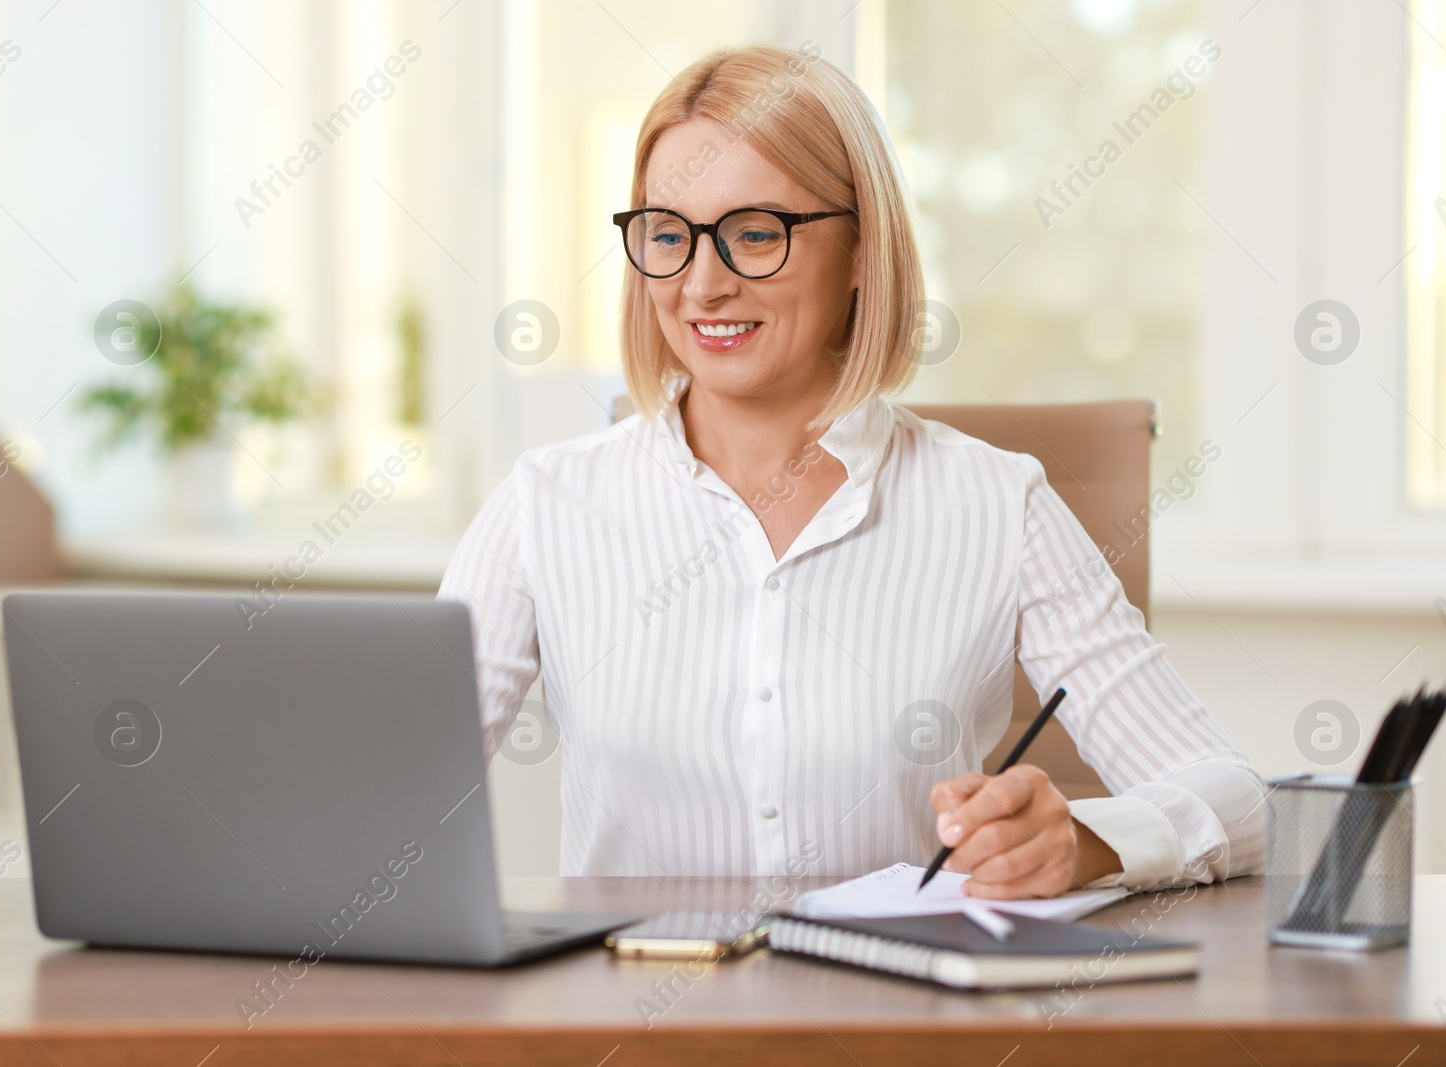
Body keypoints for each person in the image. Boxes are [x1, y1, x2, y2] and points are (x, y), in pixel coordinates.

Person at [439, 43, 1264, 898]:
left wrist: (1086, 841)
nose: (702, 284)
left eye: (755, 233)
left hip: (895, 1015)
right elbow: (387, 792)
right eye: (667, 235)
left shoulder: (995, 504)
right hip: (633, 1020)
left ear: (864, 251)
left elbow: (1237, 798)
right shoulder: (545, 506)